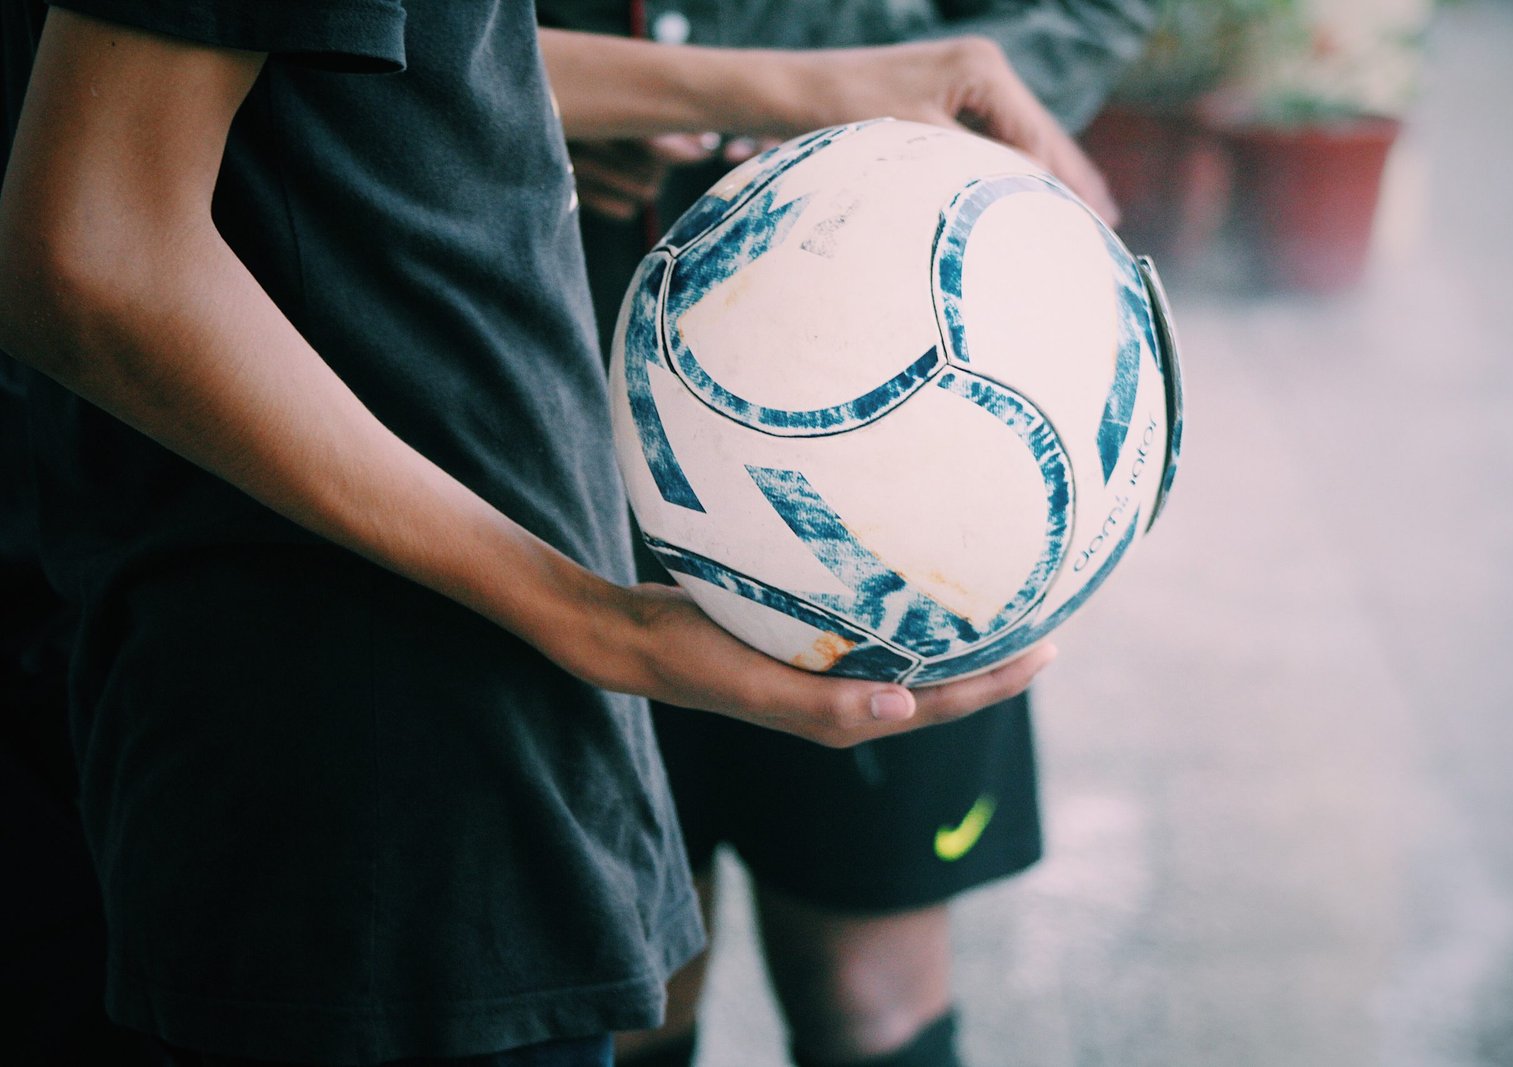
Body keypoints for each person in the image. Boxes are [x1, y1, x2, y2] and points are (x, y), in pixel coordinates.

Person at [0, 3, 1069, 1064]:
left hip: (467, 686)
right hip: (369, 741)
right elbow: (95, 256)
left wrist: (802, 85)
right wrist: (593, 620)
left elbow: (418, 65)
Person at [538, 5, 1156, 1067]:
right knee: (625, 954)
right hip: (553, 366)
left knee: (871, 978)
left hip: (896, 391)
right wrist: (527, 106)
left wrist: (912, 132)